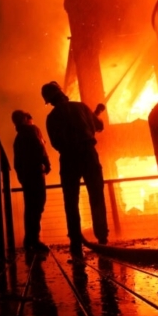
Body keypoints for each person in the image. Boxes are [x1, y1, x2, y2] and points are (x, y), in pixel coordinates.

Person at [40, 81, 109, 255]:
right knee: (96, 195)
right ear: (62, 93)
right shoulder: (81, 107)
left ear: (50, 101)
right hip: (88, 154)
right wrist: (96, 114)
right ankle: (102, 238)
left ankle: (75, 241)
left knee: (71, 201)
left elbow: (55, 143)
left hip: (68, 158)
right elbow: (98, 126)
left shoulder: (52, 117)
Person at [11, 109, 51, 252]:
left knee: (30, 207)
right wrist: (47, 162)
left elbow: (17, 162)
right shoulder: (32, 129)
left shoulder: (18, 138)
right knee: (38, 204)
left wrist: (21, 177)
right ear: (26, 118)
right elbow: (40, 146)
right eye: (30, 118)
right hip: (36, 173)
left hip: (26, 176)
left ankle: (29, 240)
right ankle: (34, 240)